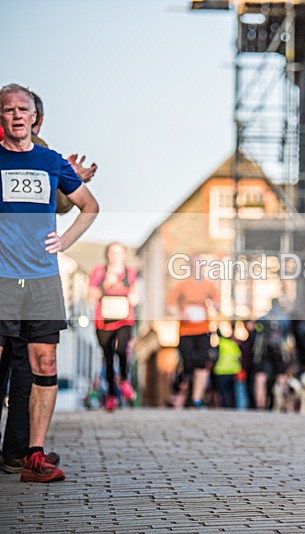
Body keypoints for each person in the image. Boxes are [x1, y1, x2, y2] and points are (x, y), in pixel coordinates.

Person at [0, 83, 99, 482]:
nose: (18, 115)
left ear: (35, 117)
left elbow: (88, 206)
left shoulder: (49, 159)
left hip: (41, 280)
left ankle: (32, 457)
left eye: (24, 109)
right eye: (9, 110)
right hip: (3, 278)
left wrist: (66, 240)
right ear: (2, 118)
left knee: (45, 363)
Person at [88, 242, 138, 412]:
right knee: (108, 358)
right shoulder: (99, 272)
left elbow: (135, 295)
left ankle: (124, 379)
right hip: (104, 321)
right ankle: (111, 395)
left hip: (124, 319)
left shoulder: (130, 273)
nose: (115, 255)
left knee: (122, 350)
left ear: (124, 255)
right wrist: (105, 286)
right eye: (112, 252)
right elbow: (90, 294)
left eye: (119, 252)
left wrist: (133, 296)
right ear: (107, 254)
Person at [167, 259, 219, 408]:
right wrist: (180, 314)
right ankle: (180, 394)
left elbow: (219, 305)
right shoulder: (182, 285)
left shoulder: (209, 285)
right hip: (185, 330)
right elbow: (170, 306)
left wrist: (215, 305)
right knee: (188, 363)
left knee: (202, 363)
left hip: (203, 329)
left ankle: (196, 399)